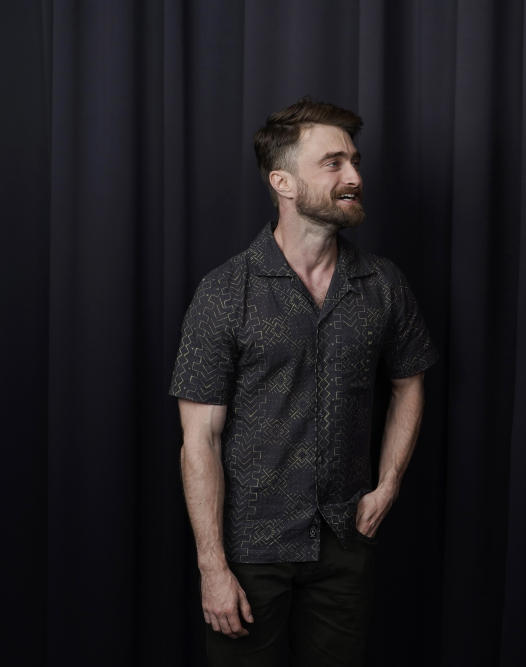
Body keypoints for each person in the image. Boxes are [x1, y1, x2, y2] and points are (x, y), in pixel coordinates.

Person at [170, 98, 438, 666]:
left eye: (355, 162)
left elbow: (409, 383)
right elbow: (200, 442)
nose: (355, 178)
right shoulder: (224, 293)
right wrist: (212, 567)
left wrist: (388, 483)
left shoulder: (383, 285)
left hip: (345, 543)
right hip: (249, 553)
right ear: (283, 182)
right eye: (333, 163)